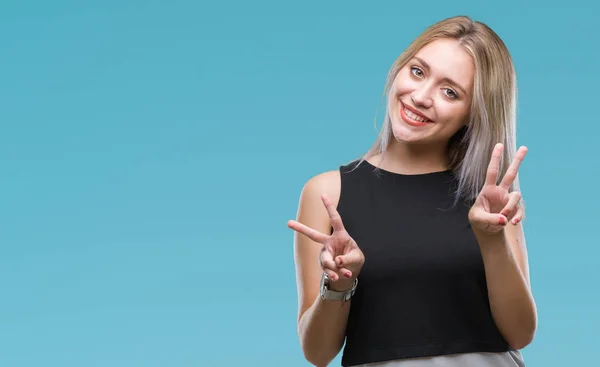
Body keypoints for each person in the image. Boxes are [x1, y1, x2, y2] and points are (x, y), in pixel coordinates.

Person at [287, 15, 538, 367]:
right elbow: (317, 353)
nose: (420, 97)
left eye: (450, 92)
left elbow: (520, 334)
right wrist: (339, 284)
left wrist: (492, 238)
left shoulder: (490, 195)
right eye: (418, 72)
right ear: (399, 69)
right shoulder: (328, 193)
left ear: (473, 112)